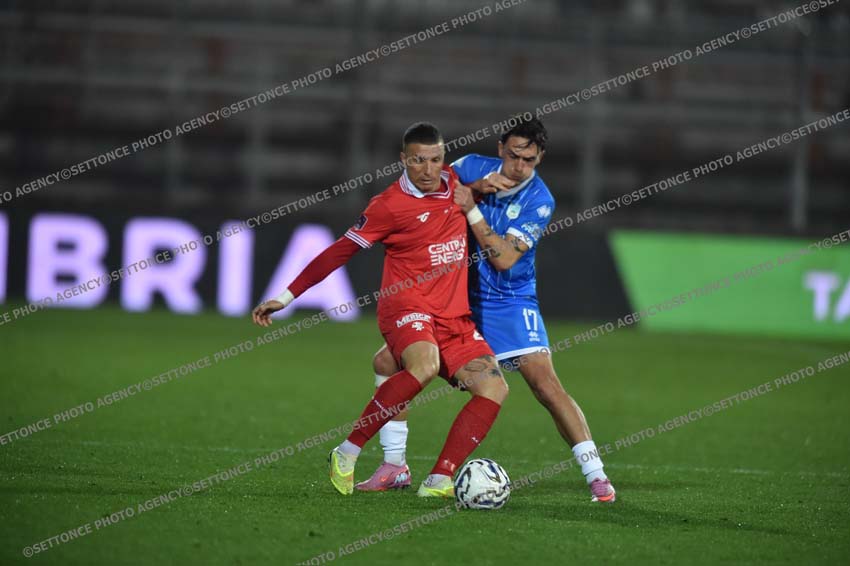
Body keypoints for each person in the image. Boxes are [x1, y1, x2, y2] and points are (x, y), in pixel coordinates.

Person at [356, 117, 616, 503]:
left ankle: (596, 476)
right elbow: (425, 188)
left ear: (540, 158)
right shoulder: (468, 167)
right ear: (499, 149)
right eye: (513, 156)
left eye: (529, 160)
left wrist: (472, 209)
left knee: (545, 385)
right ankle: (395, 466)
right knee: (387, 362)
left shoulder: (539, 200)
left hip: (508, 301)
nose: (519, 166)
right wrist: (473, 188)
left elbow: (505, 259)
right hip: (456, 294)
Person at [252, 122, 509, 497]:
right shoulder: (388, 206)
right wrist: (286, 296)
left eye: (435, 160)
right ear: (403, 159)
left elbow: (502, 175)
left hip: (453, 316)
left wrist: (490, 184)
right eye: (418, 161)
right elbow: (338, 252)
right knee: (424, 365)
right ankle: (347, 451)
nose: (427, 170)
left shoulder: (456, 185)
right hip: (405, 304)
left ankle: (438, 479)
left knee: (494, 388)